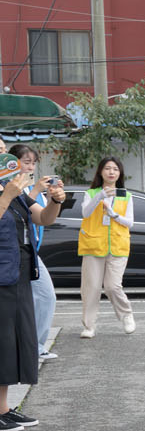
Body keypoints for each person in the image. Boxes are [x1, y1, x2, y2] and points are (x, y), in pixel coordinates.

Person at [0, 162, 61, 431]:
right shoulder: (9, 191)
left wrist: (55, 200)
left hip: (18, 273)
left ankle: (3, 409)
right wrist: (7, 196)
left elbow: (44, 219)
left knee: (10, 344)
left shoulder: (11, 188)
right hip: (2, 276)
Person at [77, 157, 136, 340]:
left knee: (112, 286)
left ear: (120, 173)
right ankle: (89, 326)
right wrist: (100, 196)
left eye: (115, 169)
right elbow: (85, 213)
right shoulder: (91, 193)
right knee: (91, 288)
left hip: (118, 245)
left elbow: (130, 223)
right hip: (94, 245)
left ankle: (126, 315)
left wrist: (113, 214)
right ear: (101, 172)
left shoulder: (126, 195)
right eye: (108, 168)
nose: (111, 172)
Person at [14, 147, 60, 353]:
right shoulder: (12, 187)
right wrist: (33, 191)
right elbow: (20, 209)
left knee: (46, 296)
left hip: (30, 251)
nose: (31, 167)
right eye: (26, 162)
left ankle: (36, 346)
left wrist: (55, 199)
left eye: (33, 163)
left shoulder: (32, 189)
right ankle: (29, 347)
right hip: (13, 252)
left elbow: (42, 217)